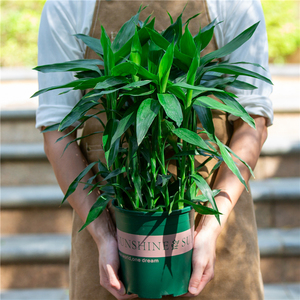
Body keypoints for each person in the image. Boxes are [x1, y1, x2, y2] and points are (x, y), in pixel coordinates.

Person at [36, 0, 273, 299]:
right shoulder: (69, 5)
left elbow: (253, 122)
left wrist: (211, 227)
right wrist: (104, 235)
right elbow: (57, 129)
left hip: (216, 220)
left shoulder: (233, 3)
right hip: (107, 230)